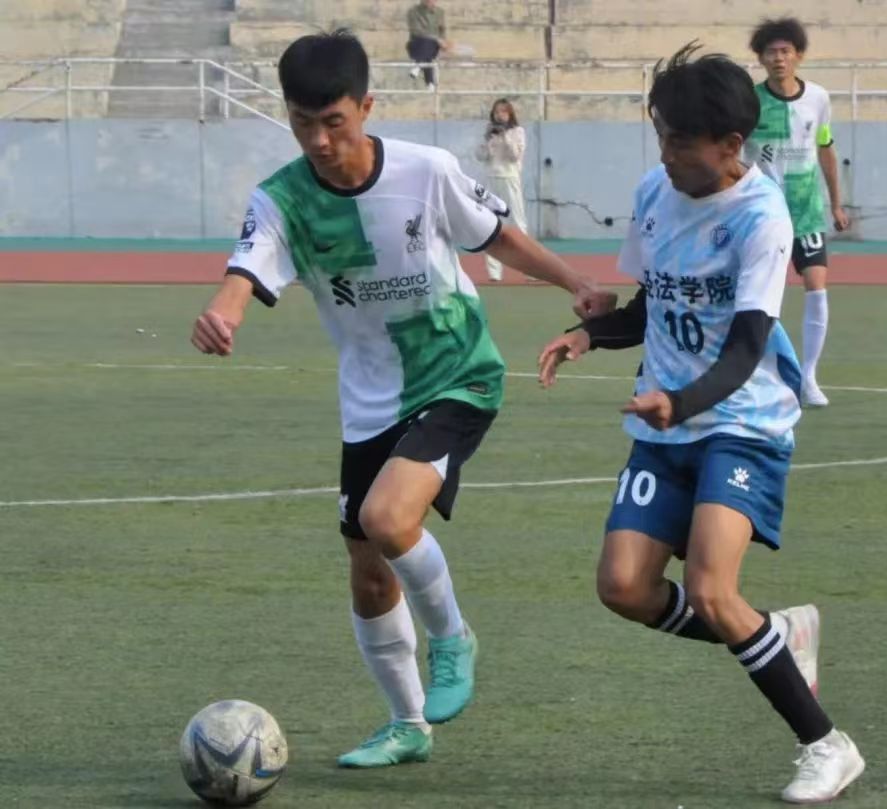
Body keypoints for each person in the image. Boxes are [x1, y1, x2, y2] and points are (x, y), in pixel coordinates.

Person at [190, 29, 614, 769]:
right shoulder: (282, 198)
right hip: (370, 399)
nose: (319, 141)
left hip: (457, 373)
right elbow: (246, 269)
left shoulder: (426, 170)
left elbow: (498, 236)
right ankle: (408, 724)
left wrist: (574, 282)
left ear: (366, 107)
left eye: (334, 122)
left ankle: (453, 637)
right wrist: (223, 313)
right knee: (367, 567)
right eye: (302, 123)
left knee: (387, 518)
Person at [537, 43, 864, 804]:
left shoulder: (761, 216)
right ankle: (775, 634)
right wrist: (589, 335)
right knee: (624, 586)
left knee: (713, 589)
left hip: (742, 421)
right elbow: (652, 305)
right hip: (665, 423)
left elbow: (748, 345)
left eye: (681, 141)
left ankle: (827, 745)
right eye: (661, 135)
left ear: (730, 145)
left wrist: (680, 402)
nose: (666, 153)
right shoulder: (655, 190)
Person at [743, 17, 849, 408]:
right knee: (759, 293)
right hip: (763, 212)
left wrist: (835, 202)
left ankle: (809, 377)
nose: (778, 58)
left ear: (798, 55)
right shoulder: (749, 101)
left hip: (806, 211)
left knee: (817, 287)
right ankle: (755, 370)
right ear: (760, 58)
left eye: (785, 51)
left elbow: (825, 148)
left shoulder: (818, 98)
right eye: (771, 52)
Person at [475, 98, 527, 281]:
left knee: (518, 223)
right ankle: (494, 273)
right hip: (491, 179)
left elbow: (515, 156)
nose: (500, 115)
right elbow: (480, 156)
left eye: (504, 112)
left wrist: (505, 136)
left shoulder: (517, 131)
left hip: (510, 178)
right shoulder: (490, 132)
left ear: (510, 114)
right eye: (497, 112)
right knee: (491, 225)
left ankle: (530, 268)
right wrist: (488, 141)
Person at [406, 0, 448, 90]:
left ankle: (419, 65)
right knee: (426, 42)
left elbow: (442, 31)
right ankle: (429, 81)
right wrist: (436, 38)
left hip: (433, 47)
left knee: (430, 45)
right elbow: (416, 31)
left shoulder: (440, 12)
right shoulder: (413, 11)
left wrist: (443, 42)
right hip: (417, 45)